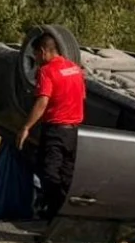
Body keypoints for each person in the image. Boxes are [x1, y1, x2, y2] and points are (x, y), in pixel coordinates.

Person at [17, 33, 86, 221]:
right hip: (73, 131)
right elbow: (81, 96)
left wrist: (26, 127)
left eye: (36, 56)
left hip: (56, 129)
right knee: (66, 174)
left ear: (43, 52)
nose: (36, 61)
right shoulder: (74, 69)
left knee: (48, 172)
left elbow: (42, 102)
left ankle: (55, 212)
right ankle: (63, 213)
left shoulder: (47, 71)